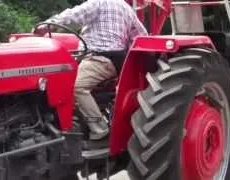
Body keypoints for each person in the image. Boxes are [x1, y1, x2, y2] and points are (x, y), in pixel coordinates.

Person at [32, 0, 148, 142]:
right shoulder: (126, 8)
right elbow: (141, 36)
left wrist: (46, 26)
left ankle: (100, 130)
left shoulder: (98, 3)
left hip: (98, 59)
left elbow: (73, 15)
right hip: (116, 60)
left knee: (77, 87)